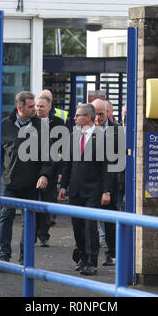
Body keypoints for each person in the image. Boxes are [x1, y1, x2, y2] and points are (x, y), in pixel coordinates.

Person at [58, 103, 113, 276]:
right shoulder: (73, 136)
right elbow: (67, 164)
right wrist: (63, 187)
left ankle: (91, 261)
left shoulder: (103, 138)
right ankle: (82, 257)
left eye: (77, 115)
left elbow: (107, 167)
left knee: (90, 226)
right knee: (77, 227)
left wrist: (107, 191)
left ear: (87, 117)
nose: (74, 118)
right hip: (75, 190)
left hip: (93, 190)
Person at [0, 91, 54, 263]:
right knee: (5, 216)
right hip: (10, 182)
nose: (35, 110)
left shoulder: (41, 127)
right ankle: (3, 254)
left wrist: (44, 175)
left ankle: (25, 258)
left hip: (32, 183)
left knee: (28, 221)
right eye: (31, 107)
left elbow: (48, 155)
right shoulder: (4, 125)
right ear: (19, 107)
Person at [91, 99, 121, 266]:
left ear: (108, 113)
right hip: (91, 183)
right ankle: (88, 254)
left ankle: (112, 253)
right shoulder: (87, 130)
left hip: (111, 182)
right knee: (88, 220)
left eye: (101, 114)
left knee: (109, 221)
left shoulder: (117, 131)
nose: (98, 118)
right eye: (95, 114)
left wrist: (109, 188)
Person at [34, 94, 66, 246]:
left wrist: (60, 172)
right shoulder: (31, 123)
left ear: (49, 107)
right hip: (33, 169)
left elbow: (63, 149)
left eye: (41, 106)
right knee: (32, 202)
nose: (38, 109)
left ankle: (44, 235)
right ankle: (31, 235)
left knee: (47, 202)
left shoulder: (58, 123)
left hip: (52, 169)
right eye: (37, 106)